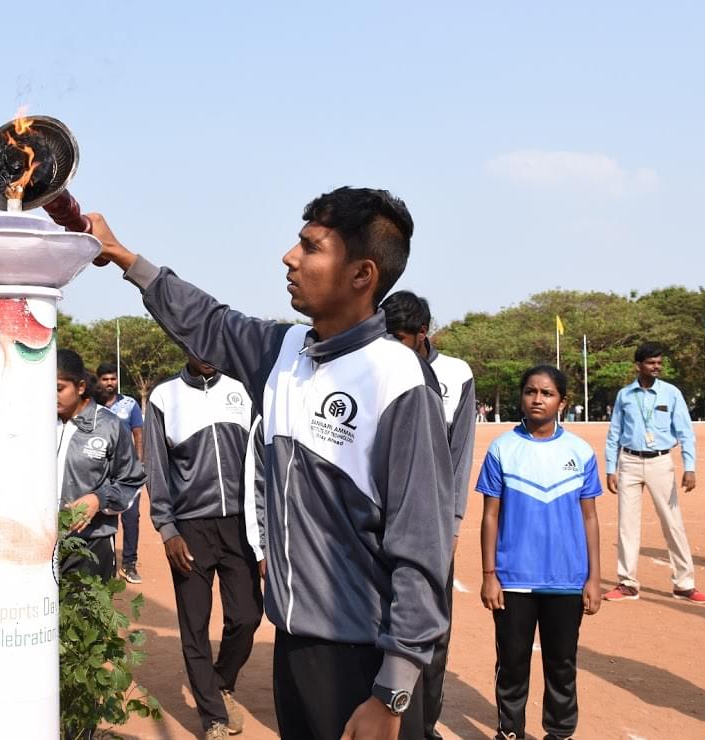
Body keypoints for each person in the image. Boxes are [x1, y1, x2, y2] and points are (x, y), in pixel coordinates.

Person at [89, 186, 455, 740]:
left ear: (362, 275)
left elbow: (423, 544)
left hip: (367, 661)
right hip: (295, 645)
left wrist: (394, 688)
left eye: (310, 247)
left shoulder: (397, 380)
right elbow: (209, 321)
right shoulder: (284, 353)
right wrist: (123, 257)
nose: (289, 257)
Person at [477, 365, 602, 740]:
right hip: (513, 580)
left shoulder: (580, 451)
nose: (537, 399)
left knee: (561, 663)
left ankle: (560, 732)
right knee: (512, 663)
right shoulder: (502, 448)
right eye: (530, 391)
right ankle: (509, 731)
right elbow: (490, 515)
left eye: (547, 393)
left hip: (567, 580)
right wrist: (489, 576)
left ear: (562, 402)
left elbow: (591, 519)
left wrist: (594, 578)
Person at [146, 356, 264, 738]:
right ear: (181, 346)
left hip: (240, 525)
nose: (207, 351)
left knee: (247, 615)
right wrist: (167, 529)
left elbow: (263, 460)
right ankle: (213, 716)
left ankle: (221, 682)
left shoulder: (243, 389)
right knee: (194, 624)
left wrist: (264, 530)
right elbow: (157, 469)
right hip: (190, 529)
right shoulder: (165, 397)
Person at [381, 290, 476, 740]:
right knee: (378, 624)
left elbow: (460, 456)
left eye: (400, 338)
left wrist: (452, 523)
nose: (391, 347)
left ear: (423, 335)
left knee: (432, 634)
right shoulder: (372, 365)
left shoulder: (455, 375)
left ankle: (424, 723)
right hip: (379, 521)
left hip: (433, 525)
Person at [603, 342, 705, 604]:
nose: (657, 367)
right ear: (638, 366)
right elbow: (614, 433)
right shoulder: (624, 395)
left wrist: (690, 466)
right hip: (629, 461)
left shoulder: (671, 393)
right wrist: (610, 468)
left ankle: (684, 584)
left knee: (672, 523)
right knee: (627, 525)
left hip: (661, 462)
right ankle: (627, 583)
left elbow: (685, 432)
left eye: (659, 362)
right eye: (651, 363)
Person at [57, 350, 146, 581]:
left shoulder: (110, 426)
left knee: (85, 616)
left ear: (80, 386)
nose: (50, 396)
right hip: (40, 543)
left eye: (58, 389)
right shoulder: (34, 423)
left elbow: (131, 480)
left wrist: (99, 498)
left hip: (92, 543)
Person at [95, 362, 146, 584]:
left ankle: (129, 564)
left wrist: (139, 463)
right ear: (98, 381)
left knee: (131, 517)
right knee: (102, 517)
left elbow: (138, 433)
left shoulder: (130, 404)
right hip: (100, 472)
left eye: (113, 378)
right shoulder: (91, 405)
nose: (109, 383)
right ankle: (105, 564)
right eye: (105, 379)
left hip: (127, 472)